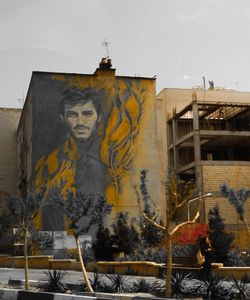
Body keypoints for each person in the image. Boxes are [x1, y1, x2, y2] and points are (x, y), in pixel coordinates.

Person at [34, 87, 108, 230]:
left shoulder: (111, 159)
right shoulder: (48, 163)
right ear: (63, 118)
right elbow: (40, 210)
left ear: (99, 117)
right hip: (65, 240)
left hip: (102, 241)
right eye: (72, 115)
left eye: (87, 114)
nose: (80, 122)